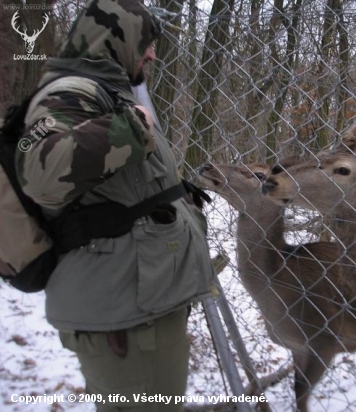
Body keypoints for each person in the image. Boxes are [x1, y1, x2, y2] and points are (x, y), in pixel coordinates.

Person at [16, 0, 215, 410]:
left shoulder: (104, 91)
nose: (152, 54)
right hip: (124, 313)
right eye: (146, 42)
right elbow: (40, 173)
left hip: (135, 302)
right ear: (115, 39)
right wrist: (132, 128)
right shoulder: (72, 91)